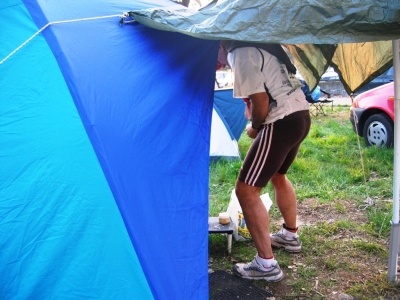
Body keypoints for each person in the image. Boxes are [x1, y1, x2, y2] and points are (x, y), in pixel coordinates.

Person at [218, 41, 311, 282]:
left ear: (221, 41)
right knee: (278, 175)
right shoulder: (260, 44)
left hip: (280, 120)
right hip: (300, 115)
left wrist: (255, 127)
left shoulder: (241, 53)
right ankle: (290, 235)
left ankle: (266, 265)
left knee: (246, 190)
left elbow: (261, 101)